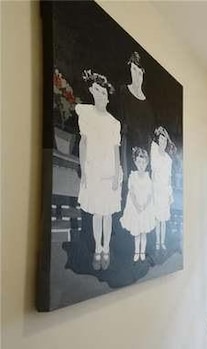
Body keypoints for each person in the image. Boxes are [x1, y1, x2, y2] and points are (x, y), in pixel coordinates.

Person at [75, 69, 122, 270]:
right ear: (92, 91)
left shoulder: (114, 122)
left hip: (109, 170)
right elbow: (83, 143)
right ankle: (97, 248)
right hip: (93, 169)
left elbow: (115, 150)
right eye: (97, 91)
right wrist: (84, 171)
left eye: (104, 93)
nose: (101, 96)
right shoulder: (86, 114)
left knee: (107, 213)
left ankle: (106, 248)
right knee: (96, 213)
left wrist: (116, 174)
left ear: (108, 97)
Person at [118, 51, 155, 181]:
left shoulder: (148, 105)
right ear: (130, 70)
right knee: (127, 181)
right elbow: (121, 121)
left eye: (140, 72)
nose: (137, 75)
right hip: (127, 145)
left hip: (144, 150)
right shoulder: (123, 91)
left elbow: (149, 131)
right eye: (134, 69)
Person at [120, 147, 155, 261]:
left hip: (145, 207)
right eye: (139, 162)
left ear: (147, 163)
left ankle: (142, 252)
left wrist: (144, 206)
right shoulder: (133, 176)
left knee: (143, 232)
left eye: (143, 162)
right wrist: (137, 206)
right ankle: (136, 251)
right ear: (135, 162)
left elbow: (150, 194)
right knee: (137, 233)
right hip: (135, 207)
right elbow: (132, 193)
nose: (141, 165)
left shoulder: (148, 177)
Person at [150, 126, 176, 251]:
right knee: (157, 218)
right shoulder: (154, 153)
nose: (163, 143)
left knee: (163, 219)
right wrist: (153, 191)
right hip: (156, 189)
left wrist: (170, 193)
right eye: (161, 140)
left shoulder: (168, 159)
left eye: (165, 140)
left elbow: (169, 178)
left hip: (165, 190)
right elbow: (153, 173)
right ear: (157, 141)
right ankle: (156, 242)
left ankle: (162, 242)